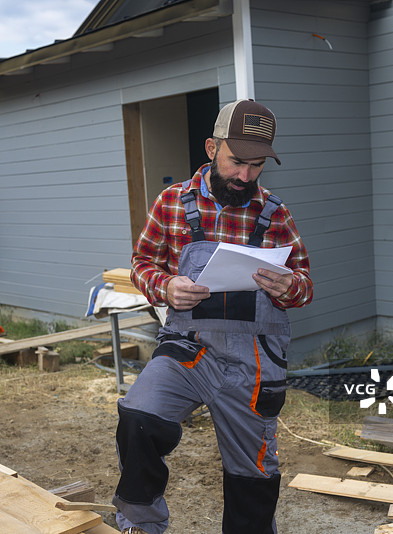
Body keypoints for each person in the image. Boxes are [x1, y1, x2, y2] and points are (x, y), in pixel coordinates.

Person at [111, 99, 313, 534]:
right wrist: (164, 287)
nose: (245, 176)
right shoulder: (171, 203)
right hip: (188, 350)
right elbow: (141, 265)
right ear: (210, 147)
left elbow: (305, 285)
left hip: (253, 362)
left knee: (253, 479)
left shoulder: (275, 214)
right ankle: (140, 524)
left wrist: (288, 287)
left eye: (256, 166)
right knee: (138, 418)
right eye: (237, 162)